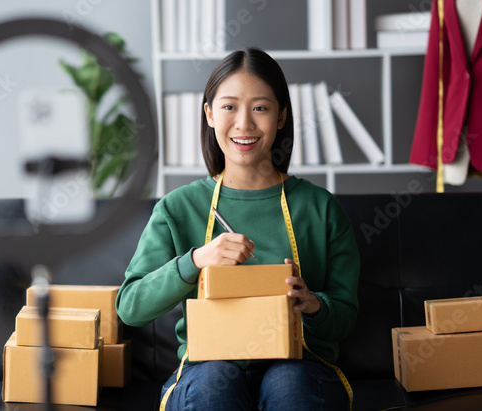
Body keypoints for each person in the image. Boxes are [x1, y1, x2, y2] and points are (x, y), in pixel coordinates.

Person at [115, 47, 359, 411]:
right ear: (210, 114)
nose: (244, 124)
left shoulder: (320, 207)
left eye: (260, 108)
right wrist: (195, 261)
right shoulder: (177, 208)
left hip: (300, 364)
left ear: (281, 117)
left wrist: (313, 305)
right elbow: (130, 307)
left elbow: (345, 318)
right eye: (229, 107)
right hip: (206, 366)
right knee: (214, 387)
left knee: (289, 385)